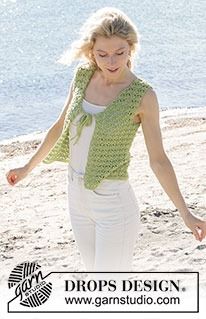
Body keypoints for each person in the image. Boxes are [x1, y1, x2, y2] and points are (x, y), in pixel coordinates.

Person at [6, 7, 206, 273]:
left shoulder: (143, 96)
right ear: (91, 51)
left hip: (113, 205)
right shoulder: (82, 76)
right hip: (76, 198)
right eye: (102, 54)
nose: (111, 61)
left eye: (119, 53)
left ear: (131, 49)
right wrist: (27, 168)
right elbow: (59, 126)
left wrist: (185, 213)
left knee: (109, 287)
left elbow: (158, 161)